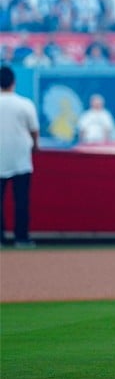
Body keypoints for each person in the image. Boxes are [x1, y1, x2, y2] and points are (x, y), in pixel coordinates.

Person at [0, 65, 39, 248]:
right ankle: (21, 238)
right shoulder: (24, 104)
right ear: (13, 83)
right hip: (21, 158)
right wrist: (35, 147)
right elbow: (34, 131)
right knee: (21, 201)